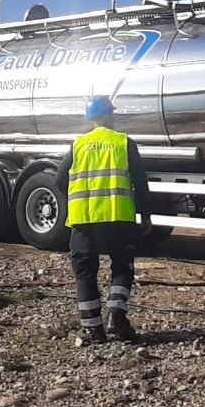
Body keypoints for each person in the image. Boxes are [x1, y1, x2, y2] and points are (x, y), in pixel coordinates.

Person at [57, 96, 157, 345]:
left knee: (84, 272)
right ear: (108, 116)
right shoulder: (123, 142)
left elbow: (59, 180)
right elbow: (140, 183)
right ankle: (117, 317)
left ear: (91, 118)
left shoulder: (78, 144)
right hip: (118, 217)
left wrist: (78, 200)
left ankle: (93, 329)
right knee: (122, 267)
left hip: (84, 219)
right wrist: (145, 215)